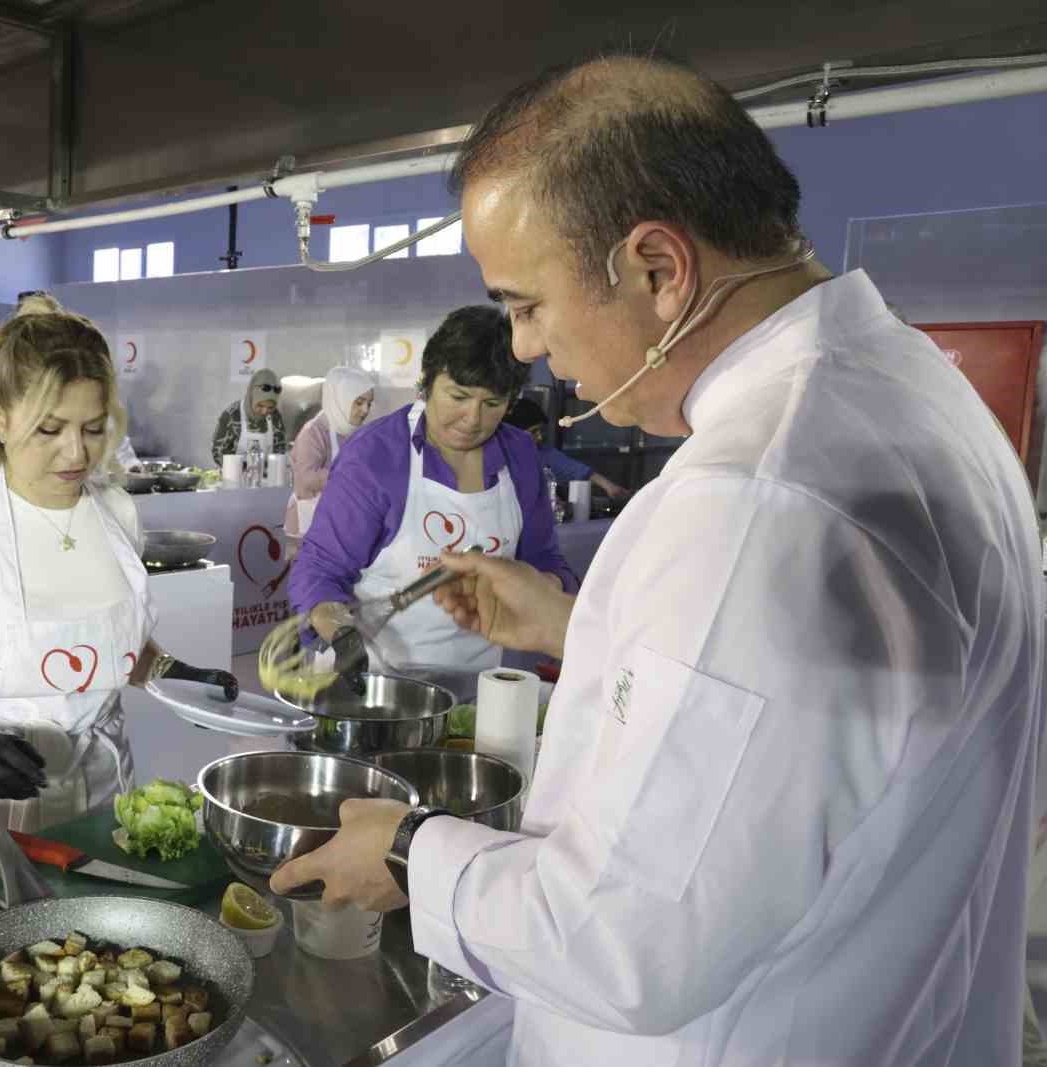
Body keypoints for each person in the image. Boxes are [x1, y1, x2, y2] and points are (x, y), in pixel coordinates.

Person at [269, 54, 1044, 1067]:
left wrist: (414, 853)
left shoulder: (757, 496)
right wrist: (571, 624)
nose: (527, 348)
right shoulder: (907, 395)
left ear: (655, 268)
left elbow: (632, 941)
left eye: (527, 302)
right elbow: (819, 726)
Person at [0, 297, 237, 870]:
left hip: (102, 792)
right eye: (49, 429)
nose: (76, 452)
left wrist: (172, 674)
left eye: (94, 428)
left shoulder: (116, 513)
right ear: (0, 418)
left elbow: (98, 645)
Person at [287, 305, 575, 672]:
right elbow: (321, 566)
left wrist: (542, 587)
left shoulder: (518, 455)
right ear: (427, 381)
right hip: (374, 681)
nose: (473, 419)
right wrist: (339, 630)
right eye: (458, 397)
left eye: (492, 404)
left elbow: (546, 560)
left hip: (476, 686)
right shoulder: (375, 457)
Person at [283, 366, 377, 535]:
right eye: (359, 402)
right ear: (341, 398)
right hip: (308, 524)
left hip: (338, 522)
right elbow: (307, 479)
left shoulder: (354, 432)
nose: (365, 410)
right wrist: (349, 475)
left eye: (369, 403)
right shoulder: (314, 431)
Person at [504, 396, 629, 501]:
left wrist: (610, 487)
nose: (540, 437)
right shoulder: (499, 455)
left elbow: (577, 469)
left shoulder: (543, 452)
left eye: (541, 431)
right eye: (534, 432)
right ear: (514, 433)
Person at [211, 368, 286, 465]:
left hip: (266, 476)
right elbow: (218, 452)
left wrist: (270, 469)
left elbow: (280, 449)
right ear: (252, 396)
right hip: (234, 475)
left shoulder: (275, 417)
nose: (265, 411)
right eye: (260, 405)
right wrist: (242, 471)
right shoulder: (232, 415)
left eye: (270, 407)